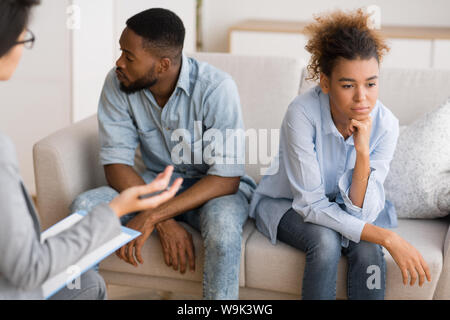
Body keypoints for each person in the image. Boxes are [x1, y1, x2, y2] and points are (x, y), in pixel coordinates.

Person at [0, 0, 182, 300]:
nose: (119, 63)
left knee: (87, 284)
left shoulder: (215, 88)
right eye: (24, 38)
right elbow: (28, 269)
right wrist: (116, 210)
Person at [70, 8, 256, 300]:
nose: (119, 62)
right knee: (84, 207)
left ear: (163, 65)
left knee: (222, 231)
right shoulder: (118, 82)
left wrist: (154, 215)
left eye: (129, 56)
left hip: (212, 189)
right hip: (155, 183)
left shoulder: (216, 89)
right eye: (121, 51)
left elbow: (226, 178)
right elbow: (116, 164)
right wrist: (161, 218)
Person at [248, 8, 431, 300]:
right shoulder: (302, 114)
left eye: (371, 83)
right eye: (348, 85)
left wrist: (362, 153)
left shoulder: (386, 125)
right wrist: (388, 236)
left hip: (345, 208)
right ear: (324, 82)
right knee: (326, 242)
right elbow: (310, 204)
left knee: (369, 249)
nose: (362, 97)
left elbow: (365, 212)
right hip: (288, 205)